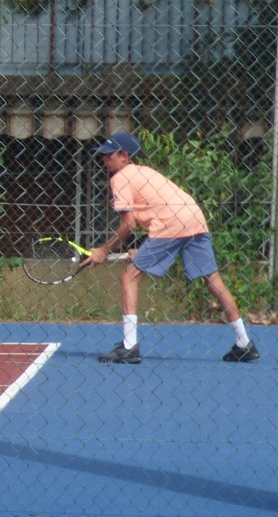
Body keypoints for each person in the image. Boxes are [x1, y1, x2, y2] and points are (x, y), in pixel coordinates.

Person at [80, 132, 259, 364]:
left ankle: (129, 347)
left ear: (124, 156)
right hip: (194, 218)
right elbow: (158, 213)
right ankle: (244, 344)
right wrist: (144, 251)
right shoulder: (146, 172)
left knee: (129, 278)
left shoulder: (120, 178)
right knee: (213, 280)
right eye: (103, 156)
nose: (105, 160)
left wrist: (104, 249)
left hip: (170, 225)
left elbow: (129, 224)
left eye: (108, 155)